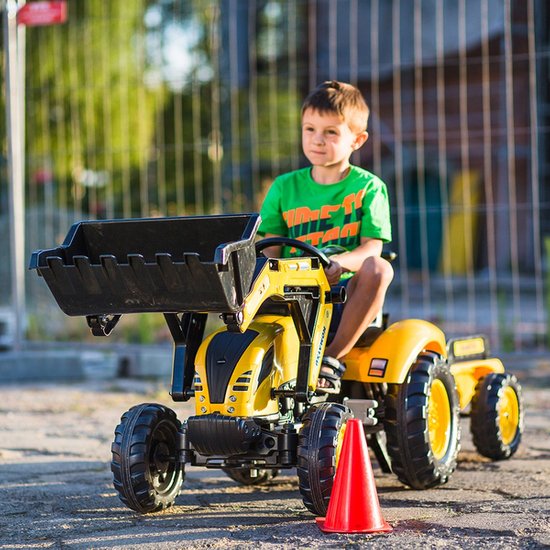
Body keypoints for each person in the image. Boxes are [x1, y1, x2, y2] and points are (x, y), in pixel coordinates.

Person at [258, 80, 393, 394]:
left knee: (380, 268)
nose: (317, 140)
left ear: (357, 140)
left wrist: (341, 263)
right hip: (293, 296)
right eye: (309, 129)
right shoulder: (283, 187)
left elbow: (372, 248)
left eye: (331, 132)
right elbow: (271, 250)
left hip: (343, 296)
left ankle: (332, 358)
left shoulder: (369, 187)